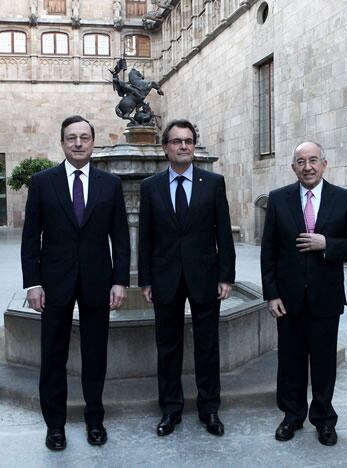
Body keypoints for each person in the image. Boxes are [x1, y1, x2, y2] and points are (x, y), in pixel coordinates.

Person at [21, 115, 130, 451]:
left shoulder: (110, 185)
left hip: (98, 281)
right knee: (53, 355)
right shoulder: (42, 182)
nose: (79, 143)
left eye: (84, 137)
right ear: (63, 142)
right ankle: (55, 425)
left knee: (95, 355)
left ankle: (94, 420)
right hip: (54, 283)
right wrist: (33, 283)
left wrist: (120, 281)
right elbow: (30, 238)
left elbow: (121, 238)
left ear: (93, 142)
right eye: (72, 138)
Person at [261, 141, 347, 446]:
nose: (307, 166)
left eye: (313, 160)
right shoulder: (278, 200)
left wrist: (327, 244)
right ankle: (292, 416)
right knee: (290, 361)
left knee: (323, 363)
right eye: (300, 161)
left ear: (324, 163)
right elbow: (269, 252)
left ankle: (323, 420)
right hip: (288, 299)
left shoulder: (344, 200)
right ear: (293, 166)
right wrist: (272, 294)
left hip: (326, 297)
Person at [138, 119, 235, 437]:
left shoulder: (213, 183)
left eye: (189, 141)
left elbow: (223, 232)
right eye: (177, 141)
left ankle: (210, 409)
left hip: (205, 276)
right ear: (165, 147)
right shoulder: (150, 186)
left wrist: (226, 276)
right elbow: (146, 238)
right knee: (168, 347)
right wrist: (146, 280)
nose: (183, 146)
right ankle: (170, 410)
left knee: (207, 346)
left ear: (194, 146)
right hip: (165, 278)